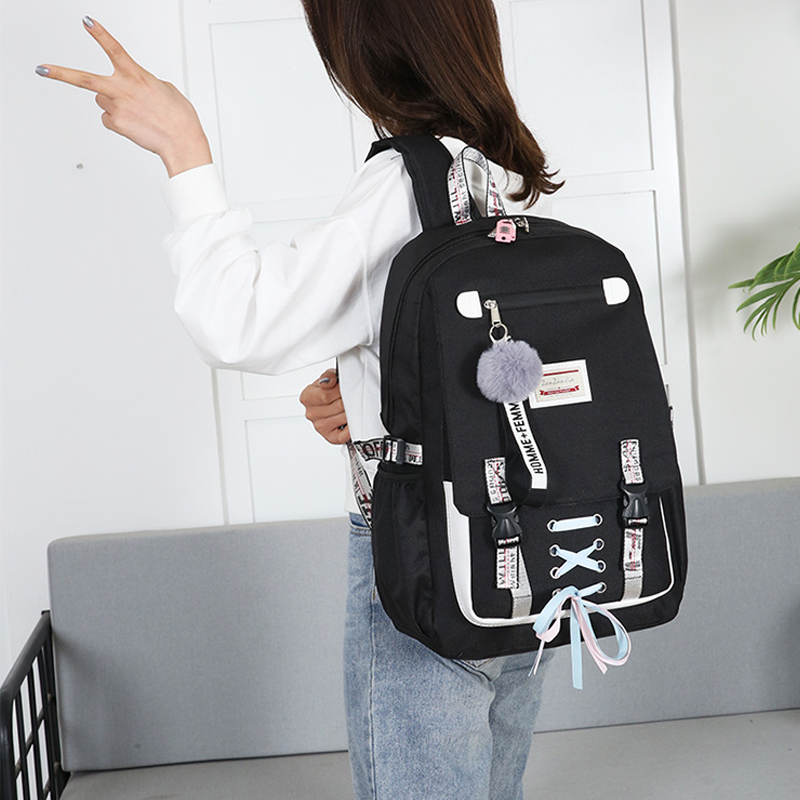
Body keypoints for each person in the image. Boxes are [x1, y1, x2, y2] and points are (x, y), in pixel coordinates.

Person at [37, 4, 561, 798]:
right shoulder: (505, 172)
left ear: (367, 47)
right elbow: (499, 361)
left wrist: (183, 148)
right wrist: (369, 390)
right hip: (524, 539)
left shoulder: (405, 183)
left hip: (423, 544)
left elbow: (239, 321)